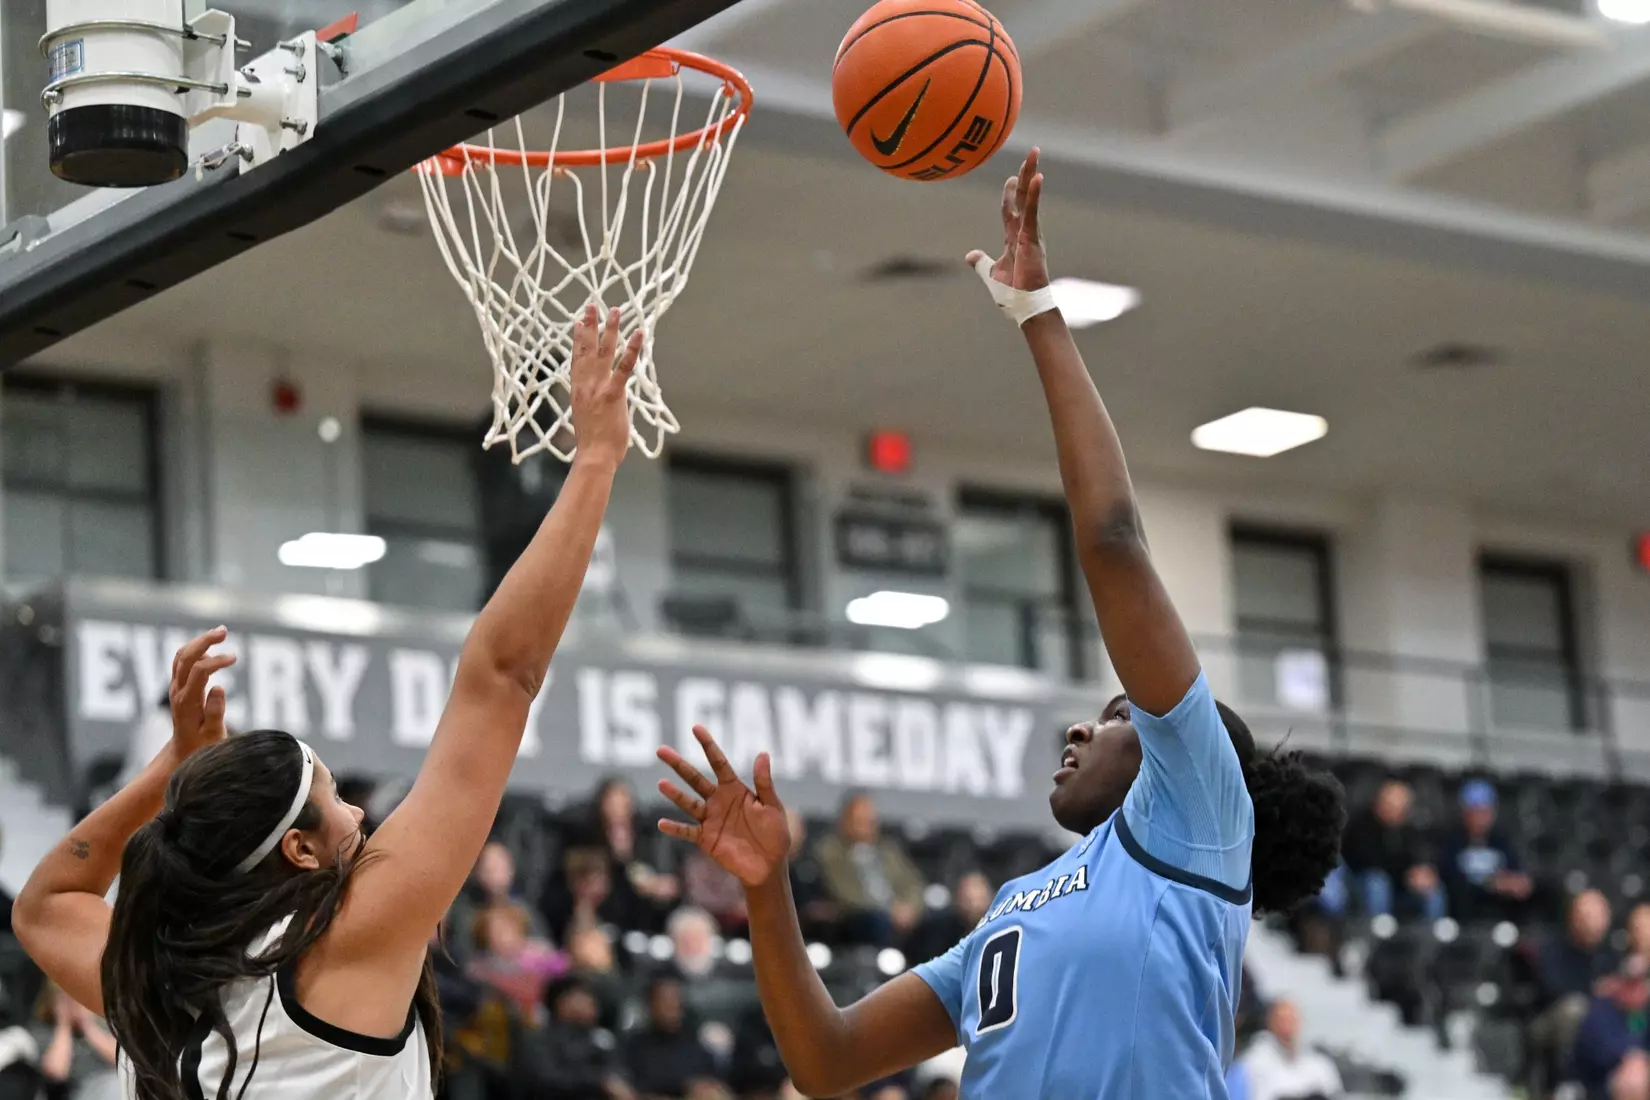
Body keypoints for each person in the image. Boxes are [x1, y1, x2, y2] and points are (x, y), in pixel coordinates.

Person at [651, 151, 1346, 1100]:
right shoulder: (1015, 910)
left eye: (1111, 715)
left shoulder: (1201, 817)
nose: (1078, 726)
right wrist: (768, 892)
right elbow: (828, 1061)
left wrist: (1038, 314)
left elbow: (1113, 543)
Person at [9, 305, 641, 1100]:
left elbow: (42, 907)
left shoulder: (159, 983)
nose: (359, 817)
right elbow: (501, 675)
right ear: (300, 853)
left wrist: (174, 766)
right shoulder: (347, 943)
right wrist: (595, 461)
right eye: (334, 797)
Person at [815, 792, 927, 948]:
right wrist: (890, 911)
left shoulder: (889, 850)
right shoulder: (830, 852)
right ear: (845, 822)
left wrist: (910, 907)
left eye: (871, 821)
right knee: (875, 921)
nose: (867, 826)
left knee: (937, 924)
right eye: (860, 821)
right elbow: (844, 892)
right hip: (861, 919)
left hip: (899, 916)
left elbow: (913, 884)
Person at [1339, 779, 1446, 921]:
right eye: (1390, 806)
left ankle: (1435, 934)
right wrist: (1405, 874)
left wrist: (1420, 871)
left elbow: (1418, 855)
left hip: (1398, 885)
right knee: (1378, 882)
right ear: (1378, 803)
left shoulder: (1409, 829)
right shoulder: (1361, 825)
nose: (1394, 812)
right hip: (1360, 883)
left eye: (1401, 809)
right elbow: (1368, 861)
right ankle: (1377, 931)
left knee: (1432, 888)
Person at [1438, 779, 1533, 922]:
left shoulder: (1501, 841)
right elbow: (1450, 876)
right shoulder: (1452, 841)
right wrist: (1490, 883)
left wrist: (1516, 883)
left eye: (1485, 811)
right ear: (1464, 813)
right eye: (1475, 811)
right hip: (1465, 908)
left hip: (1500, 905)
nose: (1481, 818)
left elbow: (1515, 873)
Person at [1571, 955, 1650, 1100]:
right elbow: (1592, 1052)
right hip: (1601, 1082)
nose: (1635, 989)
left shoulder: (1645, 1012)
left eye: (1640, 983)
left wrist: (1641, 1059)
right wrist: (1627, 1057)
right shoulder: (1601, 1010)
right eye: (1630, 983)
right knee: (1634, 1078)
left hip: (1642, 1071)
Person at [1238, 1000, 1343, 1100]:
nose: (1287, 1026)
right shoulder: (1253, 1065)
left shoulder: (1321, 1066)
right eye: (1281, 1020)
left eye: (1291, 1019)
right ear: (1270, 1024)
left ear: (1299, 1022)